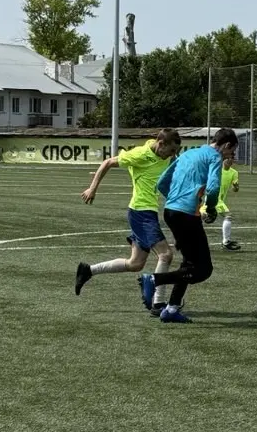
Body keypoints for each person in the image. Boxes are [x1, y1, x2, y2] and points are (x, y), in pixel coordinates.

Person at [75, 129, 181, 314]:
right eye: (172, 151)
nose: (173, 155)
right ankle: (158, 303)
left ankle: (88, 270)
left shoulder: (164, 155)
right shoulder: (140, 155)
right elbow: (108, 162)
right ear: (161, 144)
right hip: (141, 212)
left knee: (135, 264)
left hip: (146, 212)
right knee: (165, 255)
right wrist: (92, 188)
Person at [142, 128, 239, 323]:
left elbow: (162, 182)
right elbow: (213, 188)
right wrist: (210, 209)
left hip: (170, 211)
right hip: (186, 215)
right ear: (226, 145)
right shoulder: (214, 157)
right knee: (203, 269)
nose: (230, 155)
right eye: (231, 151)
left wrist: (175, 200)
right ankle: (154, 280)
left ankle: (171, 309)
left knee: (189, 262)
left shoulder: (189, 152)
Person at [202, 152, 241, 251]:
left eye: (232, 158)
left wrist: (236, 187)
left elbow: (235, 189)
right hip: (214, 198)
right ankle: (226, 242)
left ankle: (183, 236)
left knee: (200, 216)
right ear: (223, 159)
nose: (230, 160)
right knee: (228, 216)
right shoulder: (216, 170)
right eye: (228, 158)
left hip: (217, 200)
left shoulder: (234, 173)